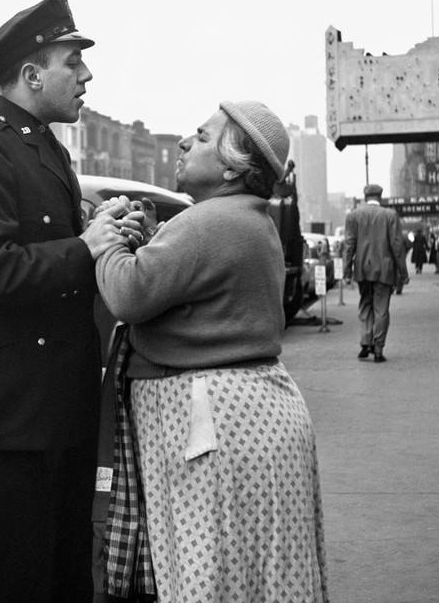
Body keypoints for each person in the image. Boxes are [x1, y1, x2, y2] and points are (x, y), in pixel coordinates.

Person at [0, 0, 140, 603]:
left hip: (55, 415)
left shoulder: (47, 148)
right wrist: (86, 244)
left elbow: (56, 247)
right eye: (72, 62)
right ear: (31, 75)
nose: (86, 76)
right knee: (9, 586)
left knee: (63, 581)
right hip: (5, 424)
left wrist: (110, 234)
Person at [95, 101, 329, 602]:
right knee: (255, 571)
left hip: (212, 426)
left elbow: (128, 294)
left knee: (212, 570)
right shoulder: (244, 218)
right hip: (251, 416)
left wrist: (105, 241)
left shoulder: (207, 222)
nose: (183, 142)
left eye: (201, 137)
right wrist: (157, 239)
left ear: (231, 167)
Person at [343, 183, 409, 363]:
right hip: (384, 270)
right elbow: (397, 246)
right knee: (381, 309)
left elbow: (349, 245)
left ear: (365, 197)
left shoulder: (354, 216)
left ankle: (365, 342)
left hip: (363, 268)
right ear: (380, 197)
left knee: (365, 304)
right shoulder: (390, 215)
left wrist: (347, 271)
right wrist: (403, 272)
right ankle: (378, 348)